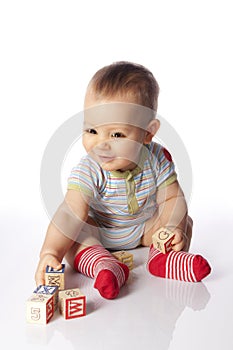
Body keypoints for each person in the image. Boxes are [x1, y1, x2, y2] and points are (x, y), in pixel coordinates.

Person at [35, 61, 211, 299]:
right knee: (75, 237)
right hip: (100, 234)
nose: (101, 144)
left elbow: (172, 198)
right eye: (91, 131)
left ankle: (164, 259)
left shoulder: (157, 159)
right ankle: (103, 265)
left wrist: (171, 229)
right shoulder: (90, 169)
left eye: (117, 134)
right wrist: (50, 252)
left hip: (144, 230)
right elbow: (69, 213)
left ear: (148, 133)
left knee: (184, 221)